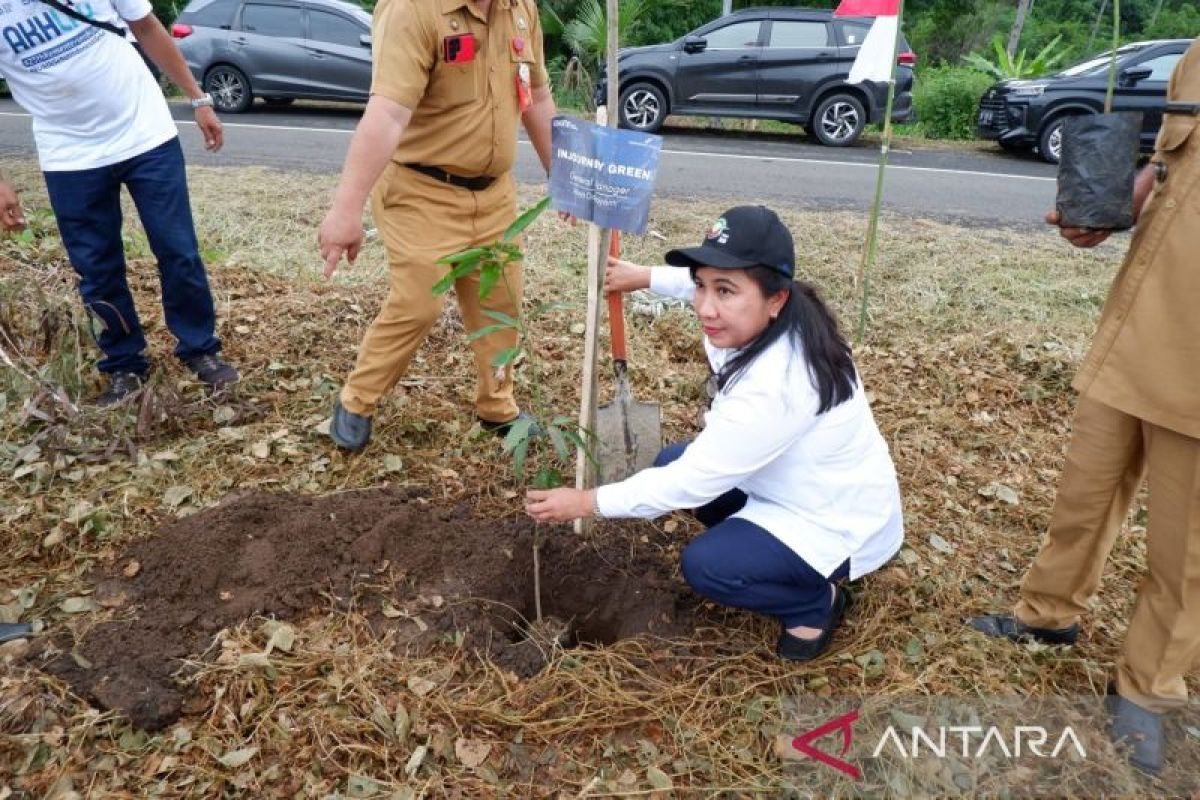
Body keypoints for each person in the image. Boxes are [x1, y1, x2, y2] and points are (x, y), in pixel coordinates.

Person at [525, 206, 904, 661]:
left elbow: (693, 480)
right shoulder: (781, 309)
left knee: (707, 565)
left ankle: (813, 602)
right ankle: (762, 550)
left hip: (832, 519)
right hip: (785, 482)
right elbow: (706, 284)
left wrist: (587, 502)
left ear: (775, 298)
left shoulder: (779, 385)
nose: (706, 306)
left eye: (724, 291)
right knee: (669, 461)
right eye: (702, 285)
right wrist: (643, 276)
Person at [969, 41, 1200, 776]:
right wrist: (1110, 207)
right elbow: (1169, 169)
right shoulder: (1197, 55)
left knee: (1185, 549)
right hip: (1136, 321)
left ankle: (1148, 686)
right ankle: (1049, 614)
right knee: (1084, 491)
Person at [318, 0, 559, 452]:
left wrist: (565, 178)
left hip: (494, 196)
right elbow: (387, 114)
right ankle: (357, 400)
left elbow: (537, 97)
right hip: (420, 191)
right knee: (417, 305)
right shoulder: (413, 10)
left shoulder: (520, 8)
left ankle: (497, 406)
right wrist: (344, 211)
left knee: (501, 303)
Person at [0, 0, 238, 405]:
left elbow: (146, 27)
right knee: (96, 269)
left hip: (146, 134)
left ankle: (200, 348)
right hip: (69, 154)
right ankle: (124, 363)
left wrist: (198, 99)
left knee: (178, 250)